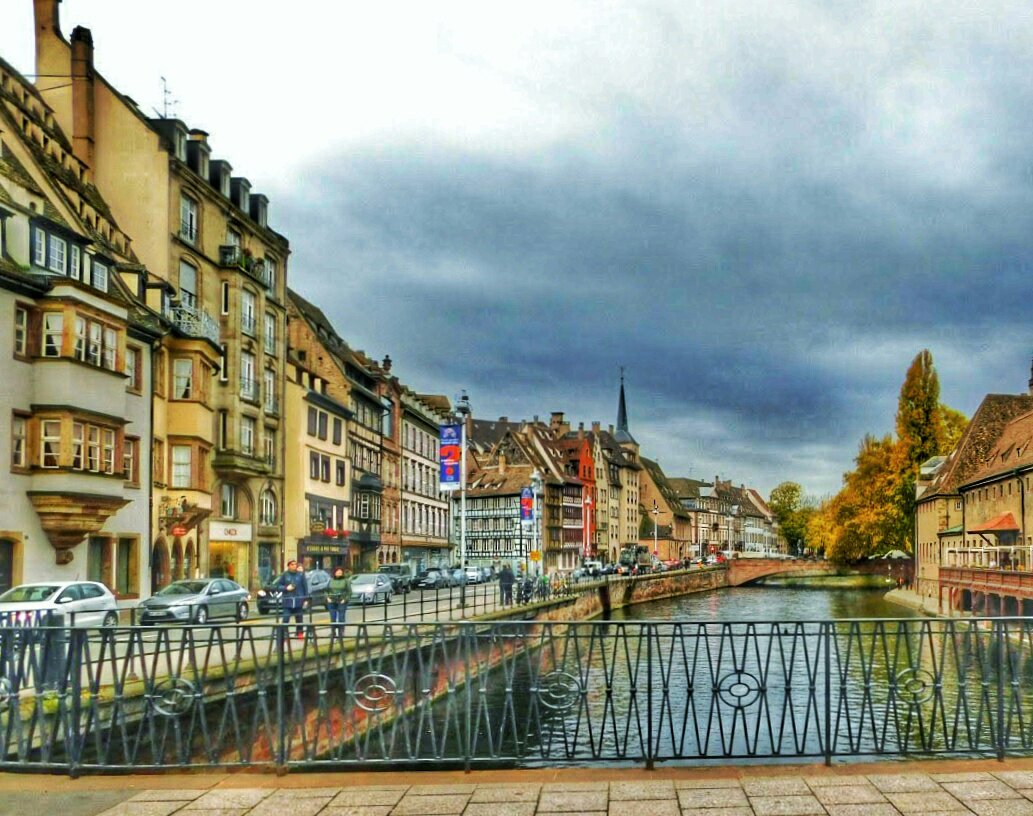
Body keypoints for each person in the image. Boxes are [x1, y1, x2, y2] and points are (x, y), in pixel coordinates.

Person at [275, 560, 309, 638]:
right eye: (292, 564)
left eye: (295, 564)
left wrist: (306, 599)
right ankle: (285, 635)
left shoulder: (300, 575)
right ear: (289, 566)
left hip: (298, 600)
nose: (294, 566)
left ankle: (299, 633)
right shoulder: (285, 575)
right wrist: (286, 588)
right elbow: (278, 586)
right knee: (286, 619)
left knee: (299, 619)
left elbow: (305, 587)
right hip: (288, 601)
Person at [327, 566, 352, 636]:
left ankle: (341, 631)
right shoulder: (331, 580)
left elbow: (349, 592)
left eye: (340, 572)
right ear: (334, 573)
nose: (339, 574)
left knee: (341, 617)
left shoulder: (346, 581)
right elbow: (326, 590)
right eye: (337, 572)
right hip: (332, 600)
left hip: (341, 601)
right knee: (333, 617)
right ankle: (333, 632)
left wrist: (345, 599)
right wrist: (327, 597)